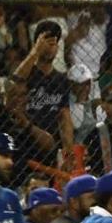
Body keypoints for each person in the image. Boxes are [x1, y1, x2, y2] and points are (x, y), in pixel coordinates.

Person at [13, 20, 74, 168]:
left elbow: (64, 117)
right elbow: (15, 80)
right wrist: (35, 52)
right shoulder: (27, 72)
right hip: (23, 142)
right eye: (47, 42)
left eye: (54, 43)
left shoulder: (61, 79)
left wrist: (68, 149)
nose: (51, 47)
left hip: (50, 147)